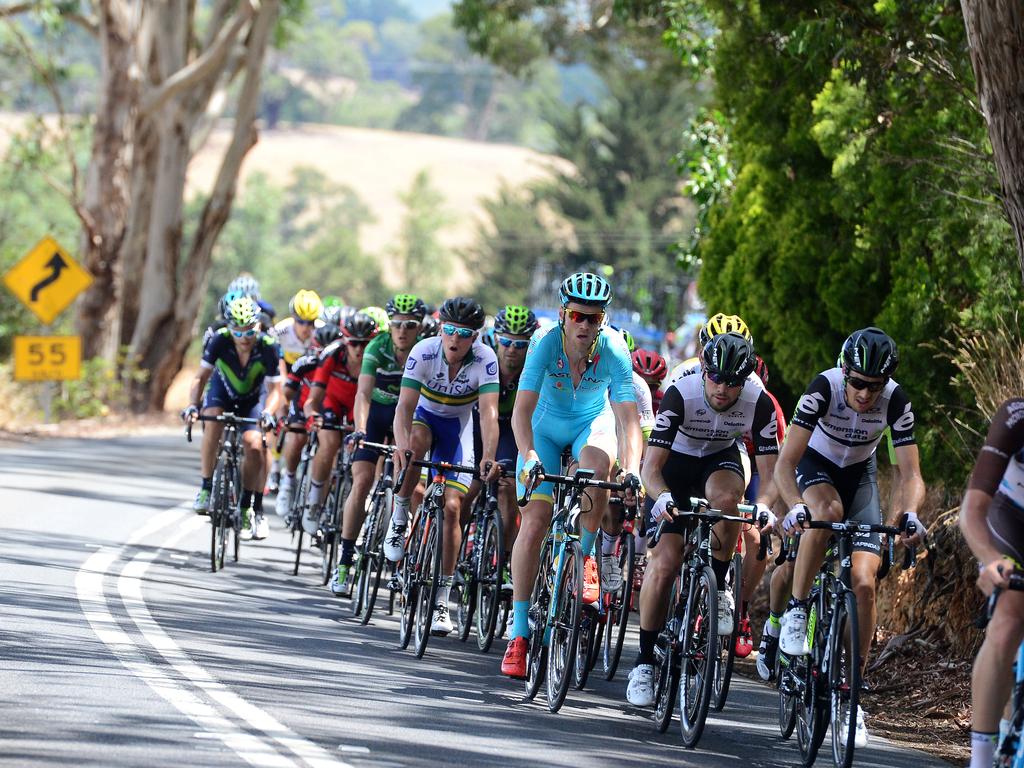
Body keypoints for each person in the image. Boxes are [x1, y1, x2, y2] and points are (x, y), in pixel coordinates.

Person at [775, 326, 925, 748]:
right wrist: (795, 505)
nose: (864, 394)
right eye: (857, 383)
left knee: (863, 583)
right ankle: (799, 609)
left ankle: (851, 693)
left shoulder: (896, 400)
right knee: (827, 512)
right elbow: (787, 463)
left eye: (874, 387)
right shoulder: (824, 387)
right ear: (845, 372)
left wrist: (908, 513)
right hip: (816, 465)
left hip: (861, 476)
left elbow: (910, 473)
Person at [500, 271, 642, 679]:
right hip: (544, 428)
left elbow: (628, 422)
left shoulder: (614, 348)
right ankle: (519, 633)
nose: (584, 325)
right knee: (535, 524)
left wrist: (632, 471)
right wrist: (527, 456)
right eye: (577, 315)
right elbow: (522, 412)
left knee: (599, 469)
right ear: (564, 314)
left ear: (603, 320)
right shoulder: (544, 344)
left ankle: (586, 556)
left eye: (593, 318)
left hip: (588, 425)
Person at [625, 332, 779, 707]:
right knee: (664, 563)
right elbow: (652, 466)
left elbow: (771, 474)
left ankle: (718, 584)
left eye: (733, 382)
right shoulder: (683, 391)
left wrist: (765, 506)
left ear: (746, 380)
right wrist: (661, 498)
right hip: (674, 464)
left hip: (718, 458)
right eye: (716, 377)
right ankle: (644, 661)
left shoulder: (758, 401)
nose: (723, 389)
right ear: (704, 370)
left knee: (731, 502)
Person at [388, 297, 501, 635]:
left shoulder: (486, 359)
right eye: (450, 331)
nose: (455, 339)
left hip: (459, 429)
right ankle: (399, 514)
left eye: (464, 334)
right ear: (440, 329)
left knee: (453, 507)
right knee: (416, 444)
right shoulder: (423, 351)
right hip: (424, 418)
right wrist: (401, 446)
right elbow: (404, 408)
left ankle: (441, 599)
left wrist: (488, 456)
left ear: (475, 337)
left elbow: (490, 416)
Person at [341, 294, 427, 584]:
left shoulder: (427, 350)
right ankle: (344, 558)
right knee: (362, 480)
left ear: (420, 327)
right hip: (377, 416)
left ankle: (409, 560)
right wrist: (361, 430)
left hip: (410, 418)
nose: (403, 330)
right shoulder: (377, 347)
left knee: (415, 490)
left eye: (410, 324)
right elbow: (363, 394)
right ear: (389, 326)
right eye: (397, 324)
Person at [182, 295, 282, 541]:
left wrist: (269, 412)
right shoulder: (219, 341)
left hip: (253, 399)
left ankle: (247, 504)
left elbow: (275, 391)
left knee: (254, 443)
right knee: (211, 419)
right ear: (229, 328)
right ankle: (206, 487)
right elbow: (200, 378)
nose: (244, 338)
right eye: (237, 332)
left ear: (258, 326)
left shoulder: (268, 346)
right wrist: (193, 405)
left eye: (250, 331)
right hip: (222, 392)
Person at [960, 397, 1024, 768]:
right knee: (1010, 616)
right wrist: (991, 561)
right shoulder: (1016, 417)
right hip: (1012, 517)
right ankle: (981, 758)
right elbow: (972, 512)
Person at [301, 313, 379, 593]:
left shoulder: (377, 358)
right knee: (329, 442)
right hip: (333, 403)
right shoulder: (332, 356)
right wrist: (313, 416)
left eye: (363, 342)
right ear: (344, 340)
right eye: (353, 342)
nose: (358, 349)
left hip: (362, 410)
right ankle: (315, 497)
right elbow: (313, 400)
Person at [276, 322, 342, 519]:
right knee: (297, 439)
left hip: (329, 406)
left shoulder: (343, 366)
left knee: (331, 447)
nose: (324, 356)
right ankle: (287, 480)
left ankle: (322, 499)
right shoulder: (305, 363)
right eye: (320, 350)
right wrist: (282, 417)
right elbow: (285, 396)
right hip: (304, 402)